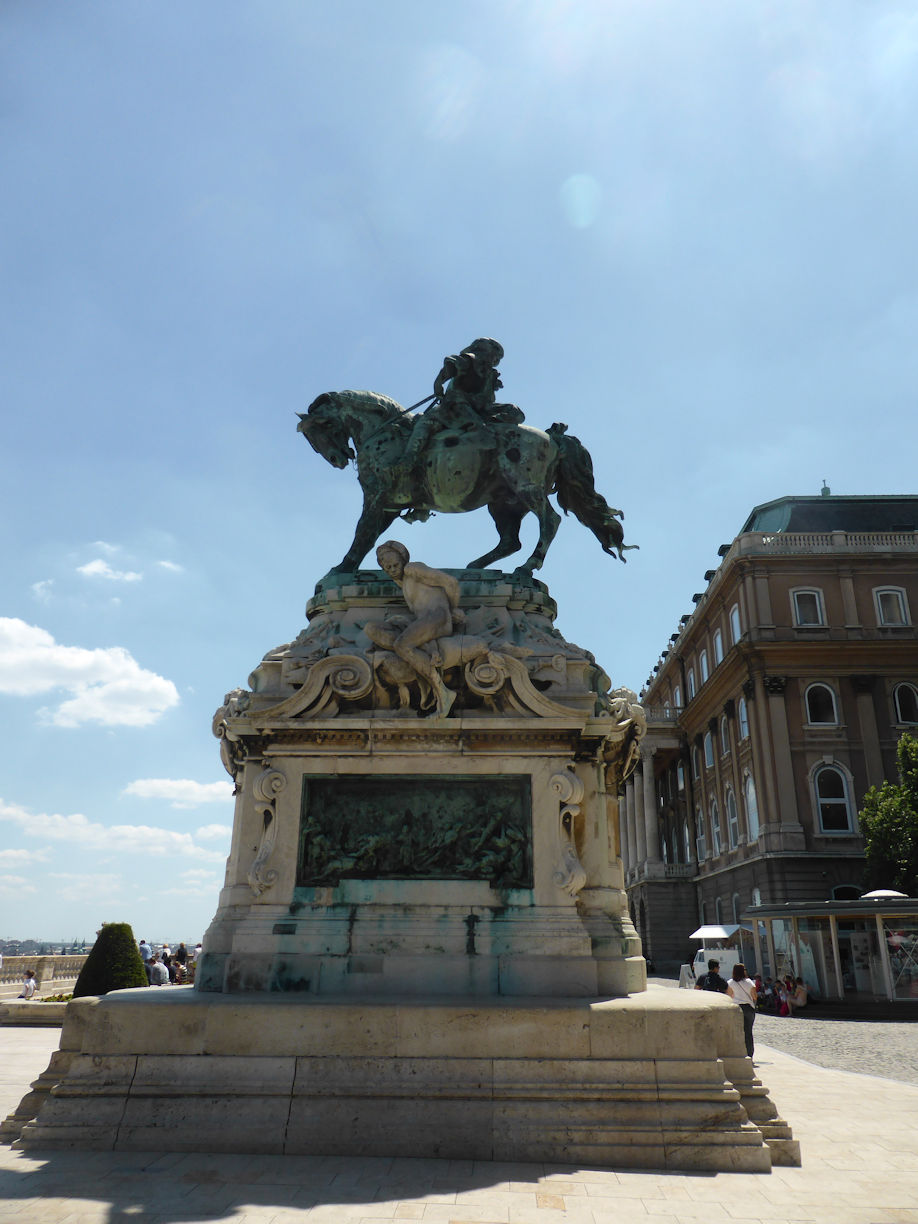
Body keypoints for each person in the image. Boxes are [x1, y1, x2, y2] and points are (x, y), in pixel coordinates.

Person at [367, 540, 464, 717]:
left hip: (438, 617)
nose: (393, 570)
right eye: (388, 568)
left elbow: (451, 582)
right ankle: (423, 665)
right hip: (426, 622)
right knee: (371, 629)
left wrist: (452, 609)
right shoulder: (404, 584)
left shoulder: (413, 569)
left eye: (395, 564)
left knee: (401, 645)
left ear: (403, 560)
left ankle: (441, 691)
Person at [400, 338, 523, 476]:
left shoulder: (490, 374)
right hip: (456, 406)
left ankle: (493, 426)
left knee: (516, 412)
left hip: (482, 408)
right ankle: (409, 457)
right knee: (426, 422)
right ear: (482, 350)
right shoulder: (470, 359)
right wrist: (438, 384)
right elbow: (451, 365)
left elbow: (487, 398)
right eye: (493, 355)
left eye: (496, 358)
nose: (494, 360)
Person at [727, 962, 758, 1059]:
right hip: (748, 1008)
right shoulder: (749, 982)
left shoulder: (730, 983)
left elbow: (729, 996)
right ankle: (749, 1054)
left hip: (736, 1009)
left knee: (737, 1031)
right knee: (748, 1031)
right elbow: (754, 996)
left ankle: (738, 1053)